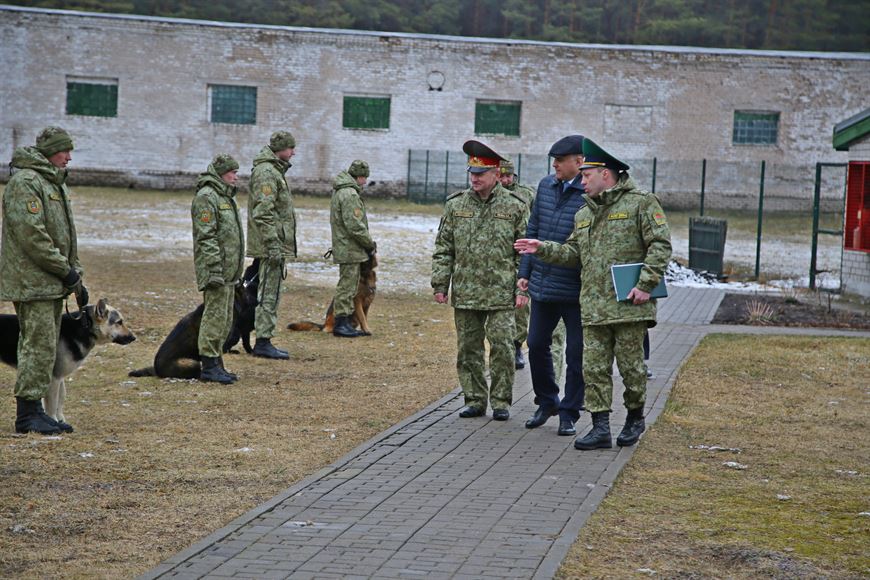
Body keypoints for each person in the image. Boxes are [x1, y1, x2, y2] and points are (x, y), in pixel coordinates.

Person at [515, 138, 672, 449]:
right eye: (582, 175)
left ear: (606, 174)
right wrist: (542, 248)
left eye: (587, 175)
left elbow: (660, 244)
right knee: (594, 368)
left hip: (629, 306)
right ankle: (600, 427)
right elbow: (573, 252)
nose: (582, 181)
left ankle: (634, 418)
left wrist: (645, 284)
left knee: (631, 368)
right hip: (594, 307)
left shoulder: (641, 203)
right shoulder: (584, 214)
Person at [432, 140, 530, 421]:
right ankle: (474, 399)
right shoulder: (456, 205)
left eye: (481, 174)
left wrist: (523, 287)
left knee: (502, 347)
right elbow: (444, 248)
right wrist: (440, 284)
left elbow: (524, 253)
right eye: (471, 173)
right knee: (468, 349)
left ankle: (501, 401)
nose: (474, 178)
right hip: (466, 291)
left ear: (497, 175)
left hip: (502, 293)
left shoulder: (515, 206)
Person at [1, 127, 87, 434]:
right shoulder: (26, 182)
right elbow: (32, 236)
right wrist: (64, 270)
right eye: (65, 150)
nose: (69, 156)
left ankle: (37, 409)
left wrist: (76, 278)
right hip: (33, 281)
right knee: (36, 346)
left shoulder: (52, 183)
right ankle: (27, 413)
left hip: (51, 281)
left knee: (45, 346)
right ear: (51, 151)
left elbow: (66, 237)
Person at [518, 135, 587, 437]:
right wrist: (525, 272)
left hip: (574, 289)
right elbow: (533, 229)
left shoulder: (590, 193)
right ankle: (547, 401)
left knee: (576, 354)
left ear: (579, 162)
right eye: (553, 160)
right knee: (535, 344)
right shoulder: (546, 186)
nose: (555, 165)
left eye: (560, 160)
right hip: (543, 283)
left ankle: (570, 412)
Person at [191, 154, 245, 383]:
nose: (236, 176)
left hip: (229, 269)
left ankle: (217, 361)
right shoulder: (207, 197)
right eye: (232, 172)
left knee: (224, 318)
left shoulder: (225, 196)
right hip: (216, 269)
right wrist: (214, 268)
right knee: (214, 316)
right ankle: (209, 364)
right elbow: (207, 237)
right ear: (222, 173)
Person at [247, 130, 297, 359]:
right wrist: (274, 245)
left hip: (272, 244)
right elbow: (263, 213)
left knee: (270, 291)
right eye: (290, 148)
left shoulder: (273, 170)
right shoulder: (268, 173)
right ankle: (263, 341)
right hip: (270, 246)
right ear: (281, 150)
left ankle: (263, 338)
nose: (293, 152)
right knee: (269, 292)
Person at [329, 160, 376, 338]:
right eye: (364, 179)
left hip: (345, 246)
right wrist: (369, 243)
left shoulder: (340, 191)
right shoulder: (350, 195)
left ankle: (345, 322)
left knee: (347, 285)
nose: (364, 183)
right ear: (360, 177)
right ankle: (341, 323)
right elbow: (355, 226)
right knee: (347, 286)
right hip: (350, 248)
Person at [497, 158, 535, 369]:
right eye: (501, 176)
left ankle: (517, 345)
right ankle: (501, 347)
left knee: (520, 306)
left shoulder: (527, 194)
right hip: (499, 258)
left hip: (521, 256)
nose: (504, 180)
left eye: (508, 176)